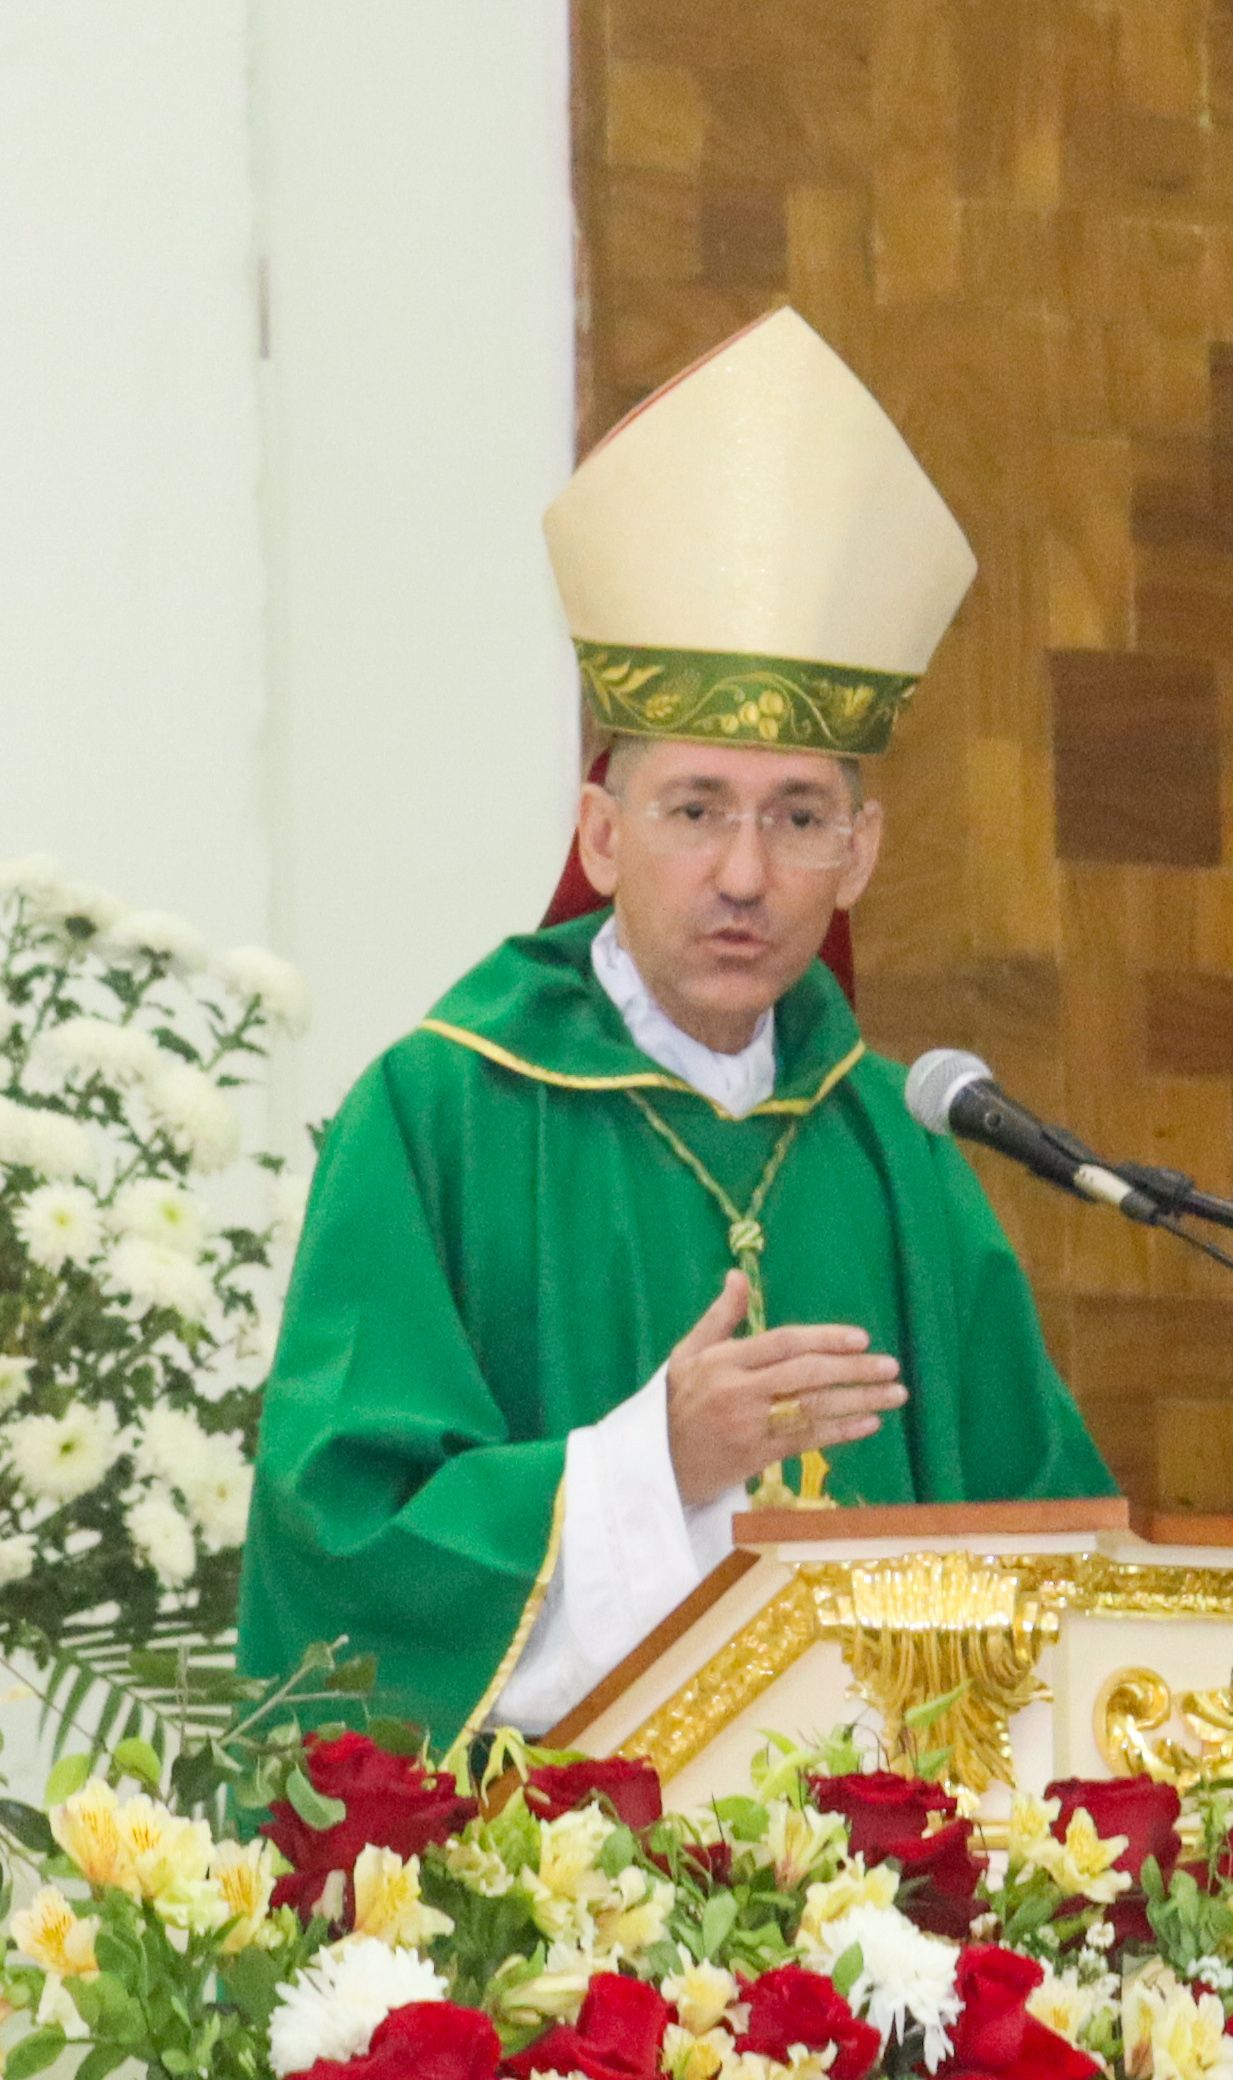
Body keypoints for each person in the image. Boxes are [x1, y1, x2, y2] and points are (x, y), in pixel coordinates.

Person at [237, 310, 1117, 1748]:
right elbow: (341, 1551)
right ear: (599, 833)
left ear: (862, 852)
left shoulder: (899, 1150)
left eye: (797, 817)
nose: (746, 875)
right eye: (695, 808)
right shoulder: (440, 1114)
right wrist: (659, 1463)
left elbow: (1050, 1535)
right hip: (543, 1905)